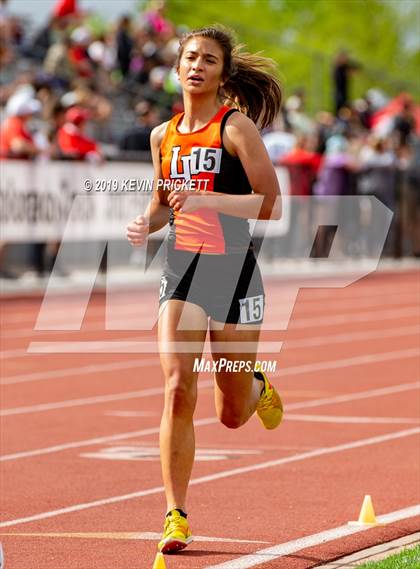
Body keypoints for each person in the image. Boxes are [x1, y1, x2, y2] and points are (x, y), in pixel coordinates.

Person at [126, 26, 283, 555]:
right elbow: (162, 202)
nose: (197, 66)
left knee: (232, 414)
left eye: (208, 60)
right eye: (189, 57)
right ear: (176, 69)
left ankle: (256, 385)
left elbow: (272, 205)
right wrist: (143, 224)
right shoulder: (160, 136)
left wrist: (208, 200)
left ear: (222, 73)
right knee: (176, 386)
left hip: (234, 268)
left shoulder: (234, 128)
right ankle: (176, 514)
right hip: (182, 268)